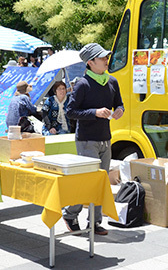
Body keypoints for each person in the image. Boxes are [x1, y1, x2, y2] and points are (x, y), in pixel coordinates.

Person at [64, 43, 124, 236]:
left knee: (101, 182)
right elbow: (70, 111)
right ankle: (70, 213)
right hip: (87, 140)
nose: (106, 60)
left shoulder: (112, 81)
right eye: (102, 58)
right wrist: (94, 112)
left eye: (106, 57)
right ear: (90, 63)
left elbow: (119, 104)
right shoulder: (82, 84)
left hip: (106, 139)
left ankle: (95, 222)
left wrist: (120, 111)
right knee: (87, 182)